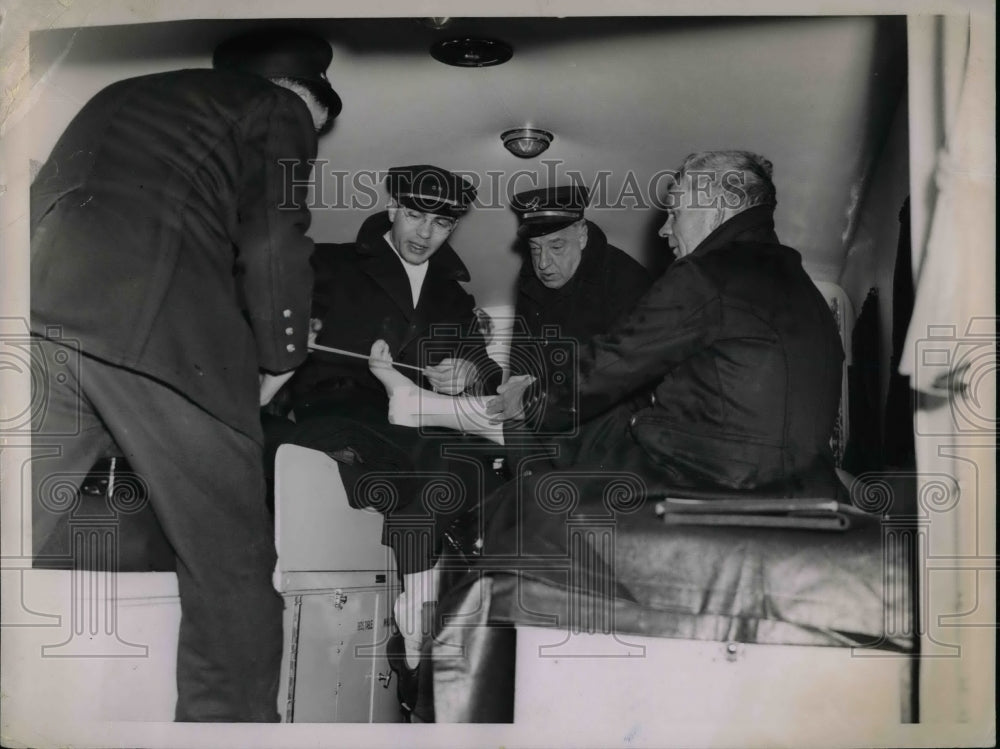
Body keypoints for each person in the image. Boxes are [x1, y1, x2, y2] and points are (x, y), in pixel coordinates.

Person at [29, 29, 341, 722]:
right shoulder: (278, 109)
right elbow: (275, 240)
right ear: (300, 96)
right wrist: (282, 354)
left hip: (35, 312)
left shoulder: (120, 95)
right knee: (232, 574)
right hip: (160, 332)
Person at [265, 165, 503, 716]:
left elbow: (486, 369)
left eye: (441, 223)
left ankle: (415, 611)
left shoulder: (453, 297)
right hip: (339, 410)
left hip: (414, 424)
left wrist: (468, 373)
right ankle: (414, 617)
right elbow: (263, 326)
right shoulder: (327, 263)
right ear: (392, 208)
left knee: (474, 461)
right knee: (383, 466)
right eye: (415, 215)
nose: (424, 233)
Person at [489, 150, 845, 496]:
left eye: (675, 213)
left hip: (715, 480)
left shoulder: (705, 274)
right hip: (803, 483)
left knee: (519, 482)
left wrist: (530, 401)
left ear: (715, 208)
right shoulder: (806, 291)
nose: (663, 229)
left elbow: (615, 363)